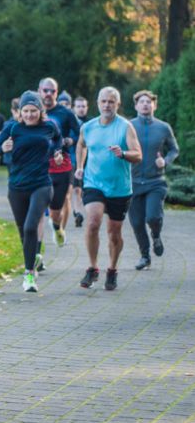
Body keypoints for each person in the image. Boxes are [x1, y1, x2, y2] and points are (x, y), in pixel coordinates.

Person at [0, 91, 63, 292]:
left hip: (41, 185)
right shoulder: (12, 128)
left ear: (40, 111)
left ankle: (29, 275)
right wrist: (2, 149)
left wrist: (57, 152)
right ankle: (33, 258)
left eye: (33, 111)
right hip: (17, 187)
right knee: (24, 233)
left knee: (31, 227)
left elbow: (58, 139)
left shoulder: (49, 126)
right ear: (20, 112)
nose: (30, 115)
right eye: (26, 111)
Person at [75, 86, 142, 291]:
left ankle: (112, 269)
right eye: (103, 101)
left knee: (114, 233)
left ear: (117, 104)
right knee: (92, 222)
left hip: (119, 188)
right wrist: (80, 166)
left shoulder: (125, 127)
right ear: (97, 103)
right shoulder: (88, 127)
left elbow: (138, 155)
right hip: (93, 183)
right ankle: (92, 267)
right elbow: (81, 145)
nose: (107, 105)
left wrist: (123, 153)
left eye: (111, 102)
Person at [129, 90, 180, 270]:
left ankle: (156, 235)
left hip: (156, 181)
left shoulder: (163, 127)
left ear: (154, 105)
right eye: (142, 102)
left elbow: (174, 149)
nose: (145, 104)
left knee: (153, 217)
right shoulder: (128, 126)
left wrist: (165, 161)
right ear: (136, 106)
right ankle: (145, 256)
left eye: (148, 102)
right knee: (136, 223)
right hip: (133, 182)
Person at [39, 78, 81, 247]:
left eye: (53, 91)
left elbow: (80, 133)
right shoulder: (33, 111)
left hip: (60, 165)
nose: (49, 94)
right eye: (45, 90)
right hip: (38, 165)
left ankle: (57, 228)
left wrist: (71, 140)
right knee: (36, 209)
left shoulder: (66, 113)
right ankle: (35, 251)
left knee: (56, 212)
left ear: (57, 93)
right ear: (39, 91)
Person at [70, 96, 90, 227]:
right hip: (72, 160)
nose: (81, 109)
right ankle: (78, 213)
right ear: (74, 108)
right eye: (78, 106)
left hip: (90, 161)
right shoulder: (70, 122)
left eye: (83, 106)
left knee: (84, 189)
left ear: (87, 108)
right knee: (76, 188)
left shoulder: (92, 123)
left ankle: (80, 210)